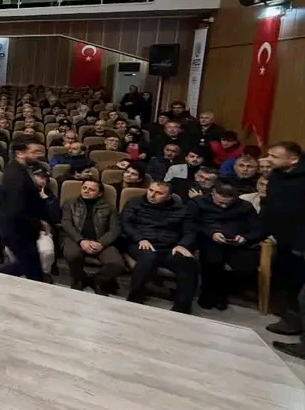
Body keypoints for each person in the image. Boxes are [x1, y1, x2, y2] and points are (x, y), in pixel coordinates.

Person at [121, 181, 198, 313]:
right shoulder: (135, 202)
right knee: (148, 257)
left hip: (169, 246)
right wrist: (140, 238)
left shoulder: (181, 210)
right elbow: (126, 223)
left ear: (169, 196)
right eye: (151, 190)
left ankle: (181, 309)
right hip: (140, 242)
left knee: (189, 263)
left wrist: (182, 245)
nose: (152, 195)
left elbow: (189, 231)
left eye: (159, 193)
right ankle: (134, 299)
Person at [190, 181, 265, 310]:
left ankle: (222, 293)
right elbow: (191, 224)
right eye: (220, 203)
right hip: (209, 240)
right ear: (213, 193)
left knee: (245, 268)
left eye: (228, 203)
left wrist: (246, 237)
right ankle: (209, 293)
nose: (224, 206)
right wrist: (211, 233)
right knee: (212, 262)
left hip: (238, 243)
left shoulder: (245, 206)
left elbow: (257, 229)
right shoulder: (199, 203)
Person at [263, 142, 305, 357]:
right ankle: (292, 322)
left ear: (293, 160)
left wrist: (300, 245)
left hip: (301, 243)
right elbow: (270, 206)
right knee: (287, 286)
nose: (268, 159)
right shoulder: (277, 175)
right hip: (282, 240)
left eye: (274, 156)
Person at [0, 141, 60, 279]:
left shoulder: (22, 169)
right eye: (33, 151)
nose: (37, 155)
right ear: (20, 153)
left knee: (29, 265)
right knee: (30, 267)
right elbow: (16, 208)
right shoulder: (15, 174)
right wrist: (38, 223)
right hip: (17, 229)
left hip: (23, 229)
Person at [60, 177, 123, 294]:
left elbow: (115, 230)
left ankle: (97, 281)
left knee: (116, 262)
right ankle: (79, 279)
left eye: (91, 190)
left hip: (100, 240)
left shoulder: (109, 208)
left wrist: (101, 243)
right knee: (72, 254)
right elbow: (66, 224)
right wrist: (81, 241)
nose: (86, 191)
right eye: (84, 188)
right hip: (75, 238)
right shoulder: (70, 203)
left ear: (99, 193)